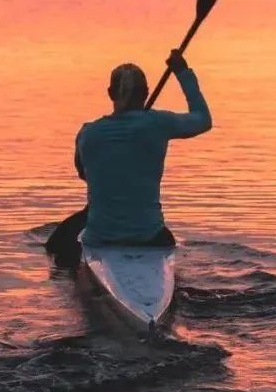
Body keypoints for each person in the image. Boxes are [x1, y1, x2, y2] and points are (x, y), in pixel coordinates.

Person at [74, 50, 212, 248]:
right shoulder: (159, 123)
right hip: (150, 237)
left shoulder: (87, 133)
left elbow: (83, 174)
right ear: (146, 93)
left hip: (99, 237)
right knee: (167, 239)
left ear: (110, 93)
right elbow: (203, 119)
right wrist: (182, 73)